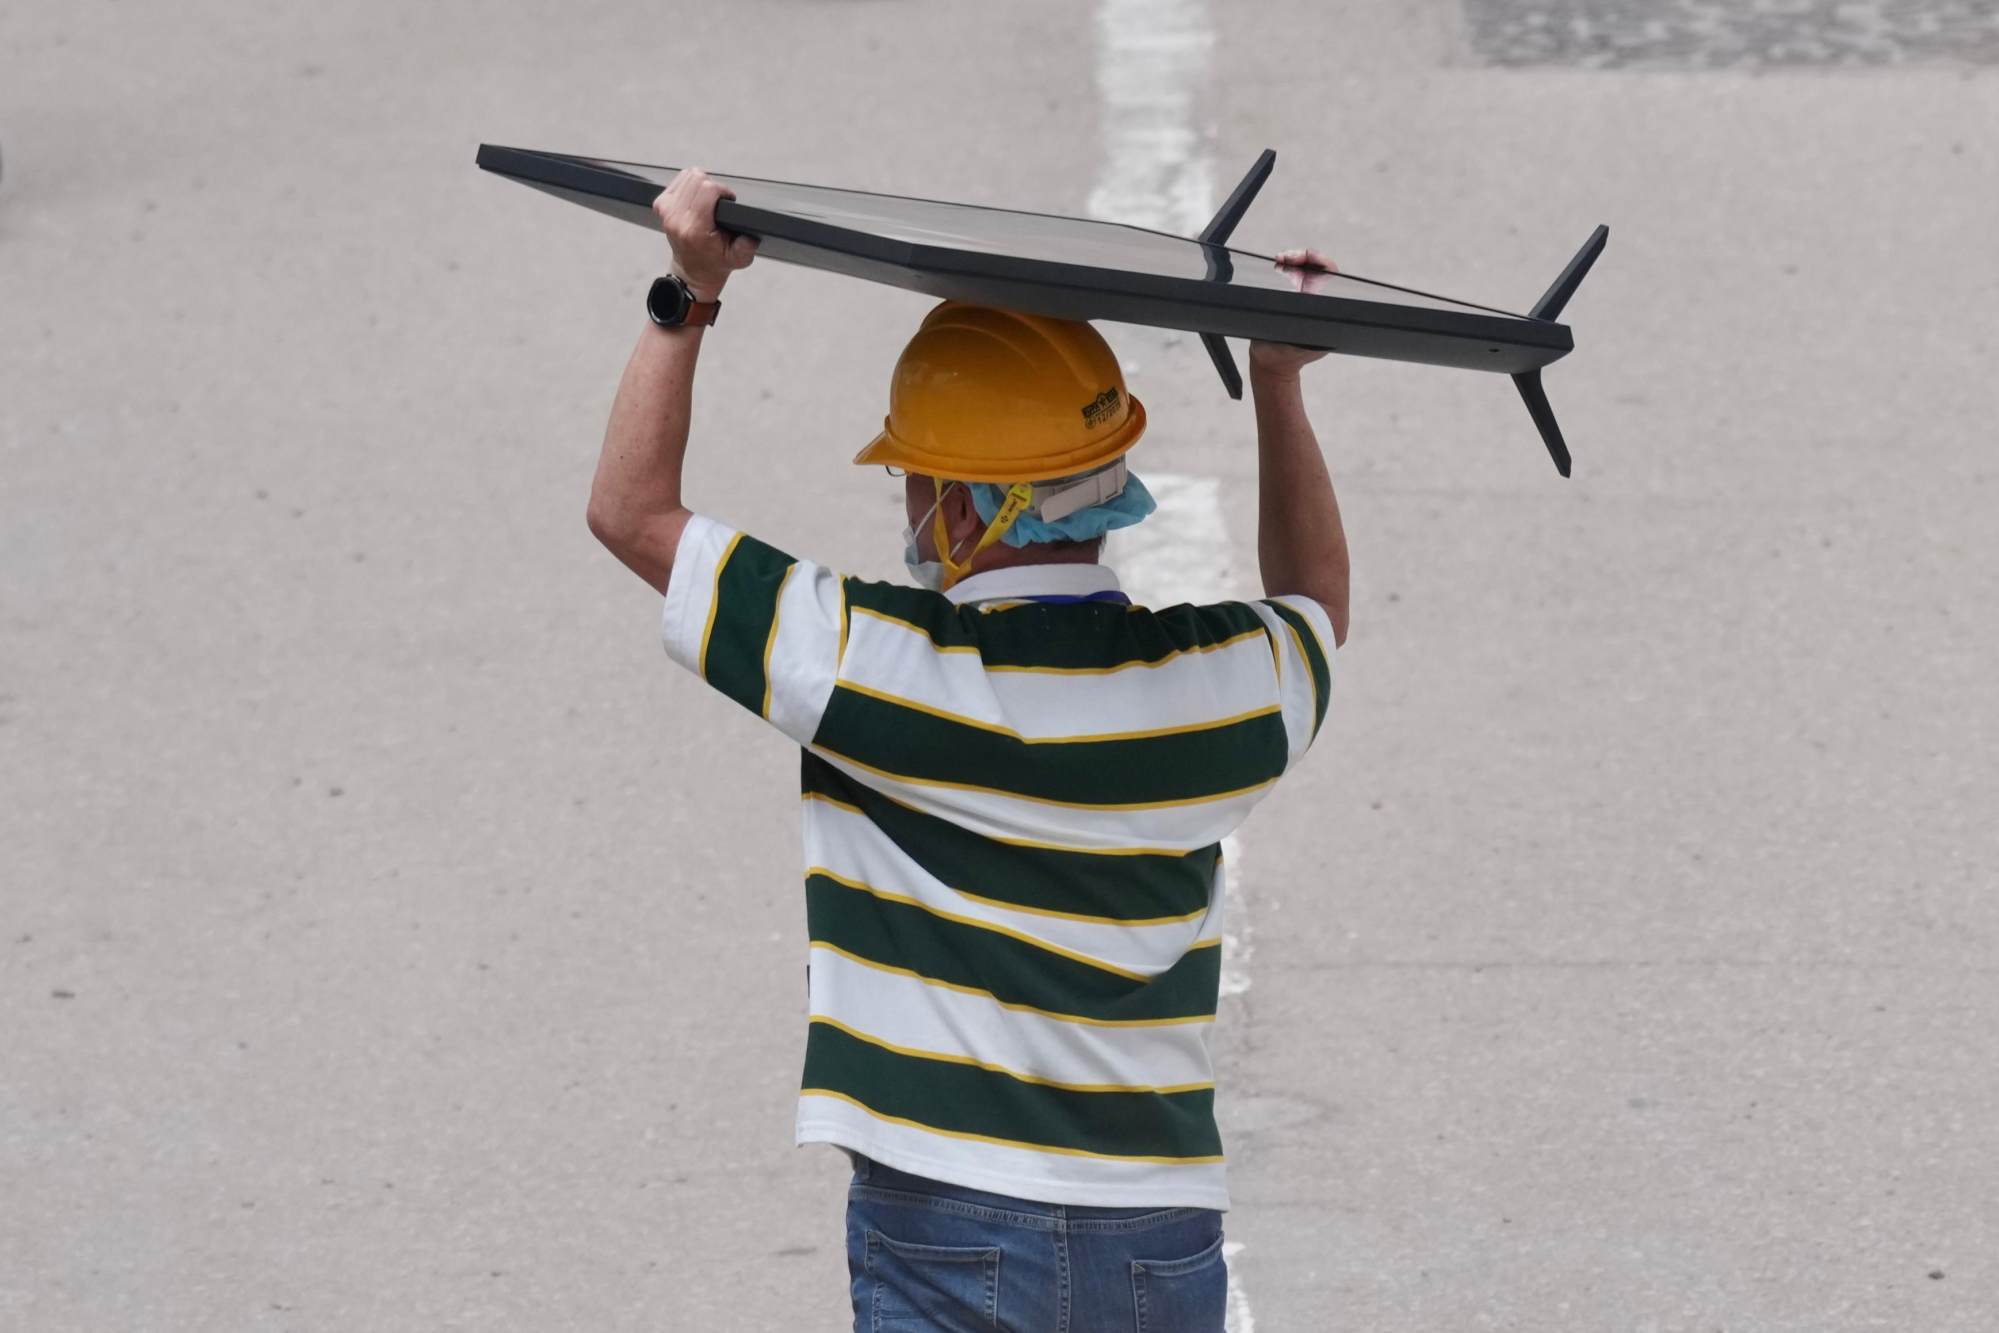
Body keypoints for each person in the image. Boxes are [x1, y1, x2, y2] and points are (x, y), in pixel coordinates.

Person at [587, 167, 1350, 1333]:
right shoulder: (1223, 689)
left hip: (945, 1223)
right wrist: (1278, 387)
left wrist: (685, 295)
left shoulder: (879, 664)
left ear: (962, 506)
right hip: (1159, 1236)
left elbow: (631, 513)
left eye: (914, 477)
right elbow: (1315, 607)